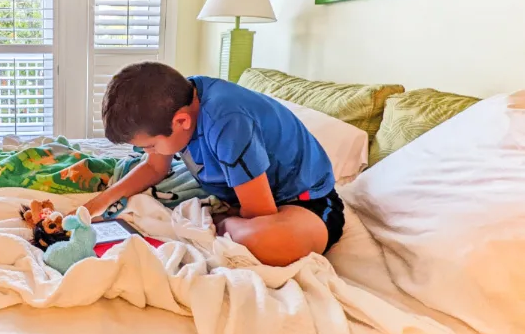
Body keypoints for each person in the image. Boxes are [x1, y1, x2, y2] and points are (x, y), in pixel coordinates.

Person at [83, 62, 344, 267]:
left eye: (150, 146)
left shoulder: (228, 122)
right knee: (245, 234)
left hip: (305, 201)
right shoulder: (178, 98)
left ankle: (223, 223)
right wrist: (93, 206)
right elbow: (155, 167)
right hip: (250, 202)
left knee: (259, 242)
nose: (146, 152)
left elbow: (260, 213)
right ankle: (225, 221)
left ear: (182, 122)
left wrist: (221, 222)